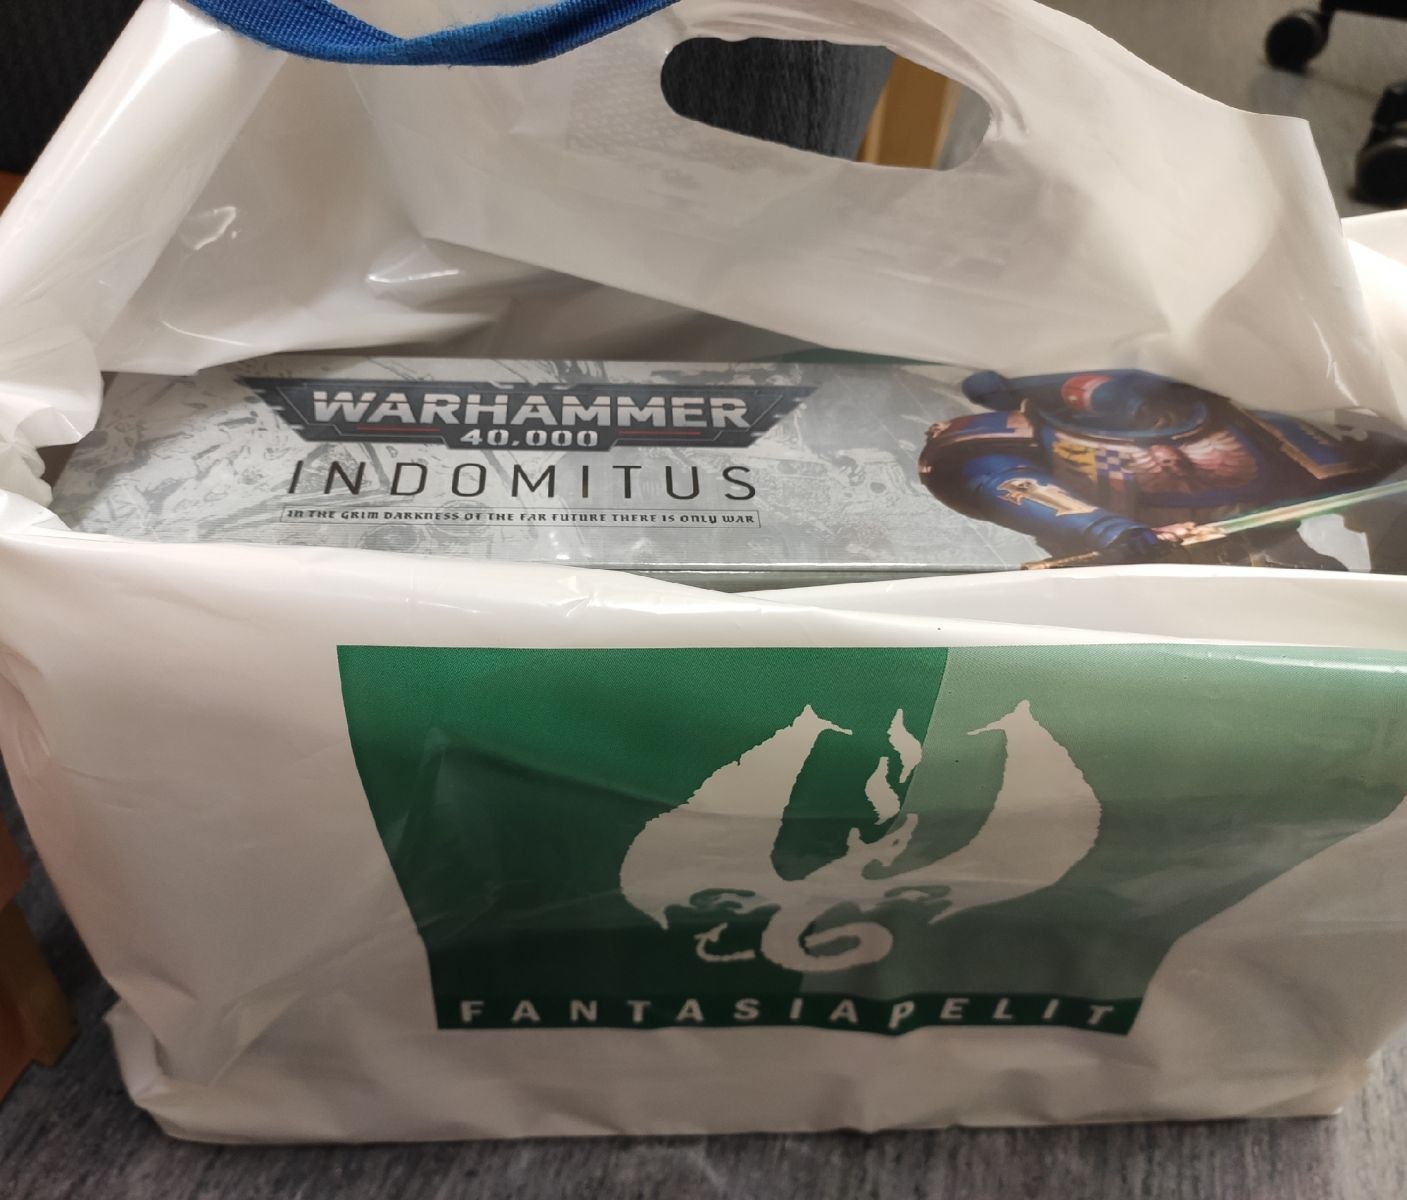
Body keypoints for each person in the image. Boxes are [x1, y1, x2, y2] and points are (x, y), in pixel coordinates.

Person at [919, 369, 1407, 568]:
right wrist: (1110, 531)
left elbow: (1358, 479)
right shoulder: (1018, 432)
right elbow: (995, 480)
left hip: (1273, 557)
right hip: (1128, 567)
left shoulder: (1253, 420)